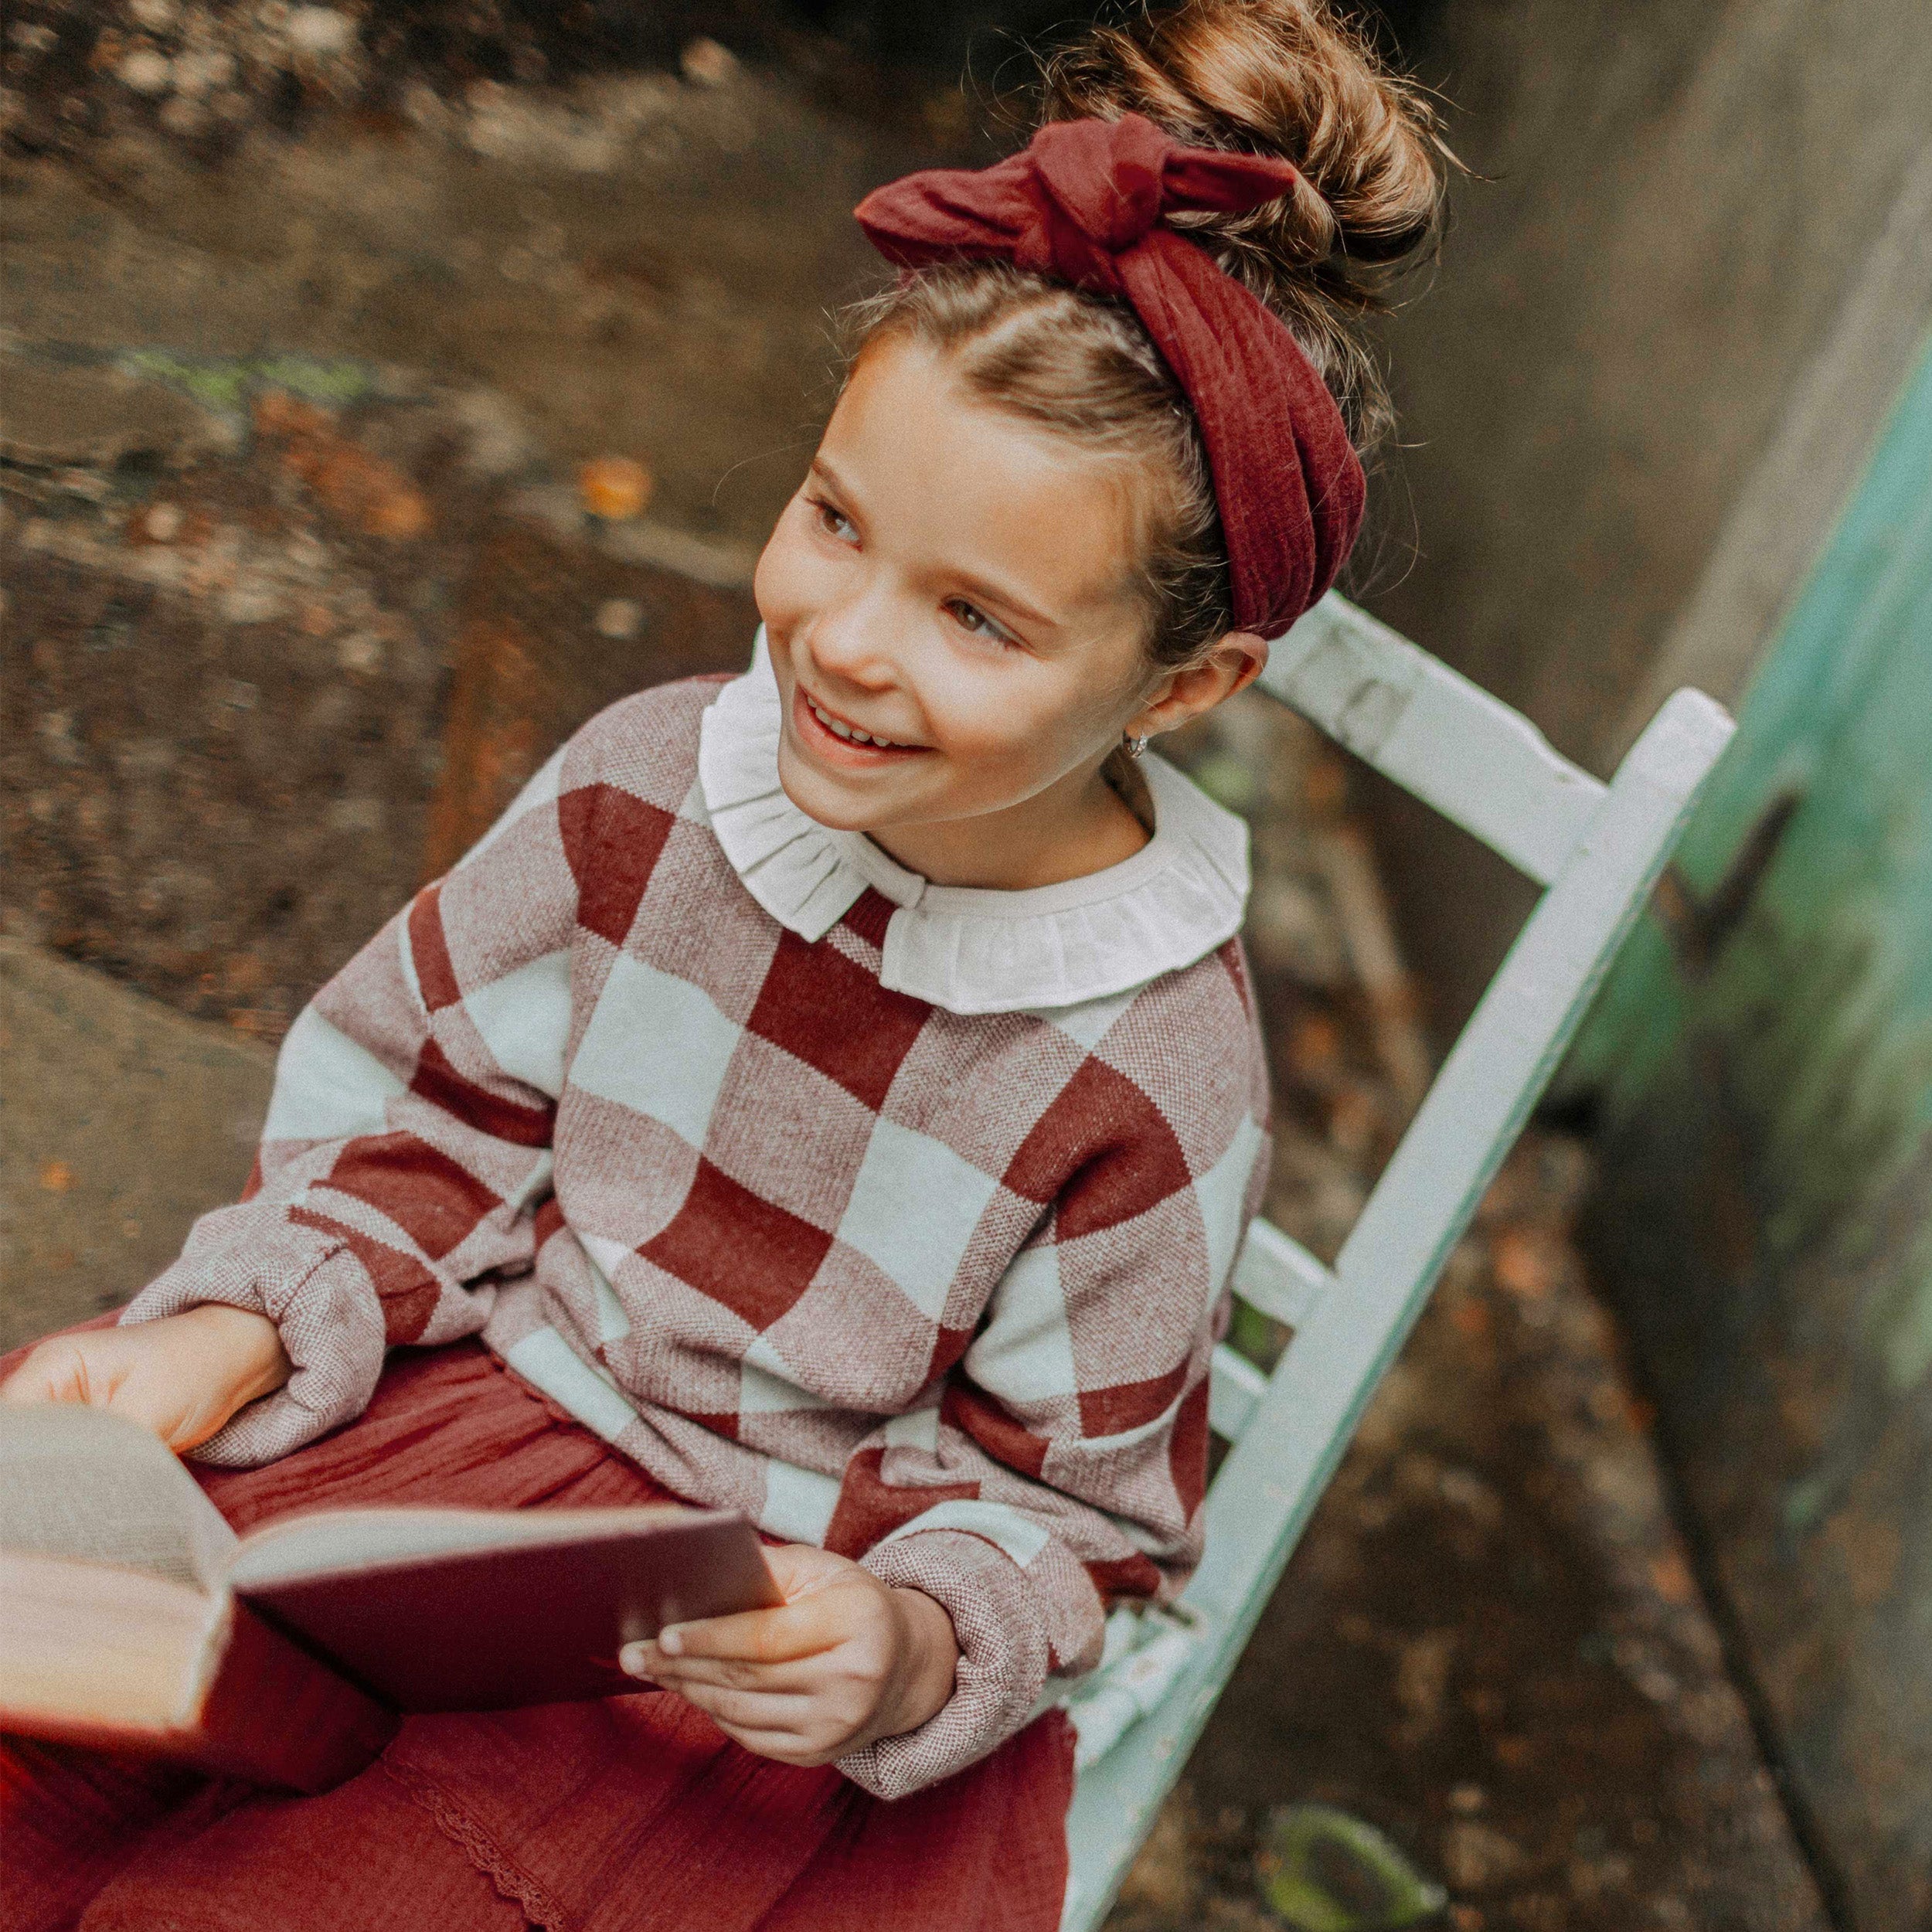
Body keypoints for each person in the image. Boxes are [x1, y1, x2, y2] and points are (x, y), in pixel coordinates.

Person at [0, 3, 1447, 1926]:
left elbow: (1073, 1515)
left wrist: (906, 1645)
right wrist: (238, 1331)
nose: (842, 639)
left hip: (750, 1624)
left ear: (1183, 688)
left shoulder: (1143, 1068)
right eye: (834, 519)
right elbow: (431, 1115)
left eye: (975, 618)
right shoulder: (652, 783)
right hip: (451, 1451)